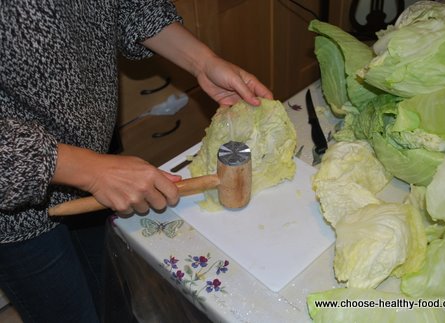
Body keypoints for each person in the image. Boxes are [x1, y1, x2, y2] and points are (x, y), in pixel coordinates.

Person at [0, 1, 273, 322]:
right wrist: (85, 170)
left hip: (93, 163)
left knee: (113, 292)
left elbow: (128, 5)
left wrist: (203, 62)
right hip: (15, 205)